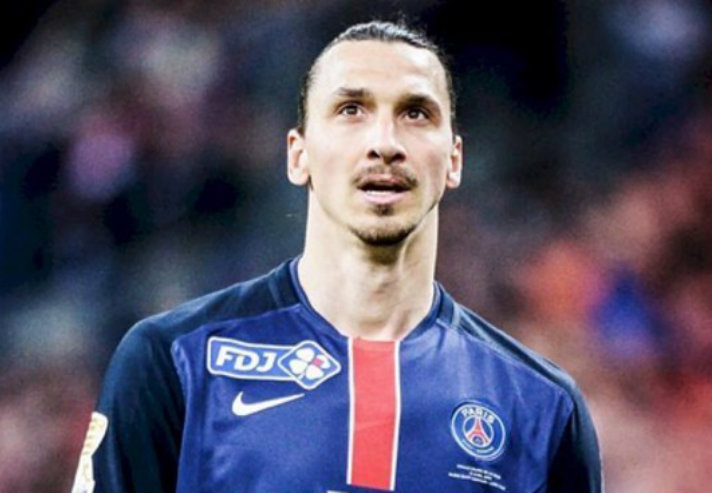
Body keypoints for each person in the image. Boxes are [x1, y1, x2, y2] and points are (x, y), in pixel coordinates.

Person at [72, 20, 604, 493]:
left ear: (454, 160)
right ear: (298, 155)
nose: (385, 142)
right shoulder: (174, 362)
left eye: (416, 113)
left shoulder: (541, 406)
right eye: (351, 110)